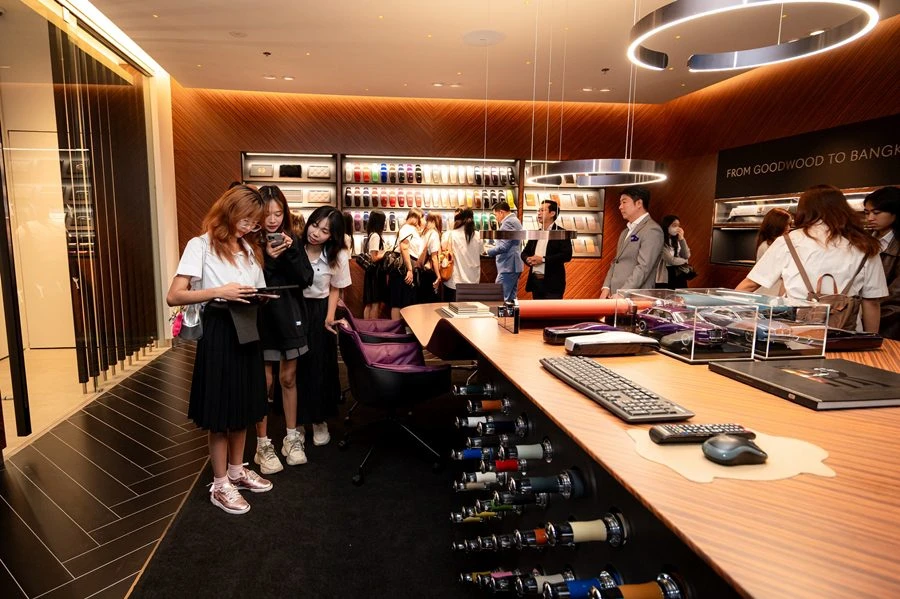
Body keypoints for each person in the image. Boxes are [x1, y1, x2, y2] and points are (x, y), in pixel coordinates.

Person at [166, 184, 272, 515]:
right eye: (246, 219)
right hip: (219, 332)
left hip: (248, 328)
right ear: (228, 211)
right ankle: (220, 483)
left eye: (255, 222)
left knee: (243, 406)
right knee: (220, 412)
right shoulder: (200, 246)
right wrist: (219, 291)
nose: (250, 227)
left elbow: (257, 288)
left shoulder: (249, 249)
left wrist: (261, 296)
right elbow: (174, 295)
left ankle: (238, 471)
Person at [737, 184, 888, 332]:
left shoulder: (788, 242)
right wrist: (872, 340)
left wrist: (728, 313)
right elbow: (872, 302)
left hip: (796, 334)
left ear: (804, 210)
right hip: (846, 335)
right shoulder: (866, 246)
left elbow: (750, 284)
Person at [253, 186, 314, 474]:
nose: (273, 220)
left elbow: (306, 278)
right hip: (262, 317)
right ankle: (262, 444)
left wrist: (290, 252)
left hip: (290, 315)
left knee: (288, 378)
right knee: (264, 382)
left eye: (278, 213)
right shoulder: (251, 242)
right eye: (267, 214)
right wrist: (268, 257)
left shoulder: (293, 240)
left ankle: (292, 438)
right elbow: (254, 283)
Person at [297, 206, 351, 447]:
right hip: (295, 310)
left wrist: (329, 318)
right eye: (314, 225)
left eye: (324, 231)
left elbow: (335, 288)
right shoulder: (295, 248)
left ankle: (319, 420)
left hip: (321, 311)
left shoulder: (338, 255)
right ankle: (297, 422)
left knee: (320, 367)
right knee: (295, 368)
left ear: (333, 235)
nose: (316, 233)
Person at [600, 186, 664, 298]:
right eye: (620, 203)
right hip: (615, 295)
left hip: (635, 297)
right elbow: (616, 261)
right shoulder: (625, 232)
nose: (620, 207)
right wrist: (606, 287)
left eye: (624, 202)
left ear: (639, 203)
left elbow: (643, 267)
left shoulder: (652, 230)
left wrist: (623, 293)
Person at [864, 186, 900, 339]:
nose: (870, 218)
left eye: (876, 213)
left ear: (895, 212)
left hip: (891, 322)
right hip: (863, 316)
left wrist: (867, 311)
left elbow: (896, 294)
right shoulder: (863, 240)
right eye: (867, 213)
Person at [521, 199, 572, 299]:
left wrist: (543, 259)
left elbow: (567, 255)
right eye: (538, 210)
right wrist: (527, 259)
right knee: (537, 308)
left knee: (552, 308)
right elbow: (524, 252)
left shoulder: (561, 233)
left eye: (542, 210)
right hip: (536, 281)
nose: (539, 213)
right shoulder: (536, 233)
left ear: (552, 213)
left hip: (553, 283)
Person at [485, 198, 524, 302]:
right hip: (513, 265)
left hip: (508, 265)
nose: (496, 218)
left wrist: (488, 251)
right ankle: (510, 313)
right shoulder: (515, 220)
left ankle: (502, 314)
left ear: (501, 212)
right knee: (511, 299)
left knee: (499, 297)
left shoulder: (508, 223)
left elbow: (504, 246)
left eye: (496, 215)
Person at [389, 207, 424, 320]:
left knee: (402, 300)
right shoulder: (407, 228)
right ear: (416, 217)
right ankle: (397, 328)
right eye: (422, 218)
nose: (423, 221)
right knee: (399, 301)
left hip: (405, 266)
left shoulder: (409, 229)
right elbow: (404, 248)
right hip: (403, 267)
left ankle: (400, 328)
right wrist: (409, 269)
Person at [442, 208, 482, 302]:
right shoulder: (478, 235)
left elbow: (443, 250)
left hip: (454, 282)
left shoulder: (449, 234)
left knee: (451, 309)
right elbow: (481, 252)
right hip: (473, 280)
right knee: (471, 309)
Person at [754, 207, 793, 296]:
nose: (789, 228)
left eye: (789, 224)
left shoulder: (782, 244)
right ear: (777, 225)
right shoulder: (765, 246)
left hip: (776, 292)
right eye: (786, 225)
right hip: (770, 292)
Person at [362, 210, 389, 319]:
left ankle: (367, 326)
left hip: (373, 273)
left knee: (370, 303)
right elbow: (374, 258)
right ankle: (372, 326)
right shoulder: (376, 236)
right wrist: (385, 253)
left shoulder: (371, 235)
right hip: (375, 274)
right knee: (375, 303)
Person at [655, 214, 692, 290]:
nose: (677, 228)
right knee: (666, 295)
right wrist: (685, 261)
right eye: (674, 225)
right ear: (666, 226)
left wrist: (682, 239)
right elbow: (671, 260)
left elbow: (686, 255)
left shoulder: (677, 240)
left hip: (679, 273)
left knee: (681, 295)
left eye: (678, 226)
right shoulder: (660, 241)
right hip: (665, 275)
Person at [417, 212, 443, 302]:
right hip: (430, 271)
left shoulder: (424, 233)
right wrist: (438, 276)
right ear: (435, 221)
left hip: (422, 270)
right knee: (431, 300)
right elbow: (434, 257)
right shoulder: (434, 234)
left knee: (423, 299)